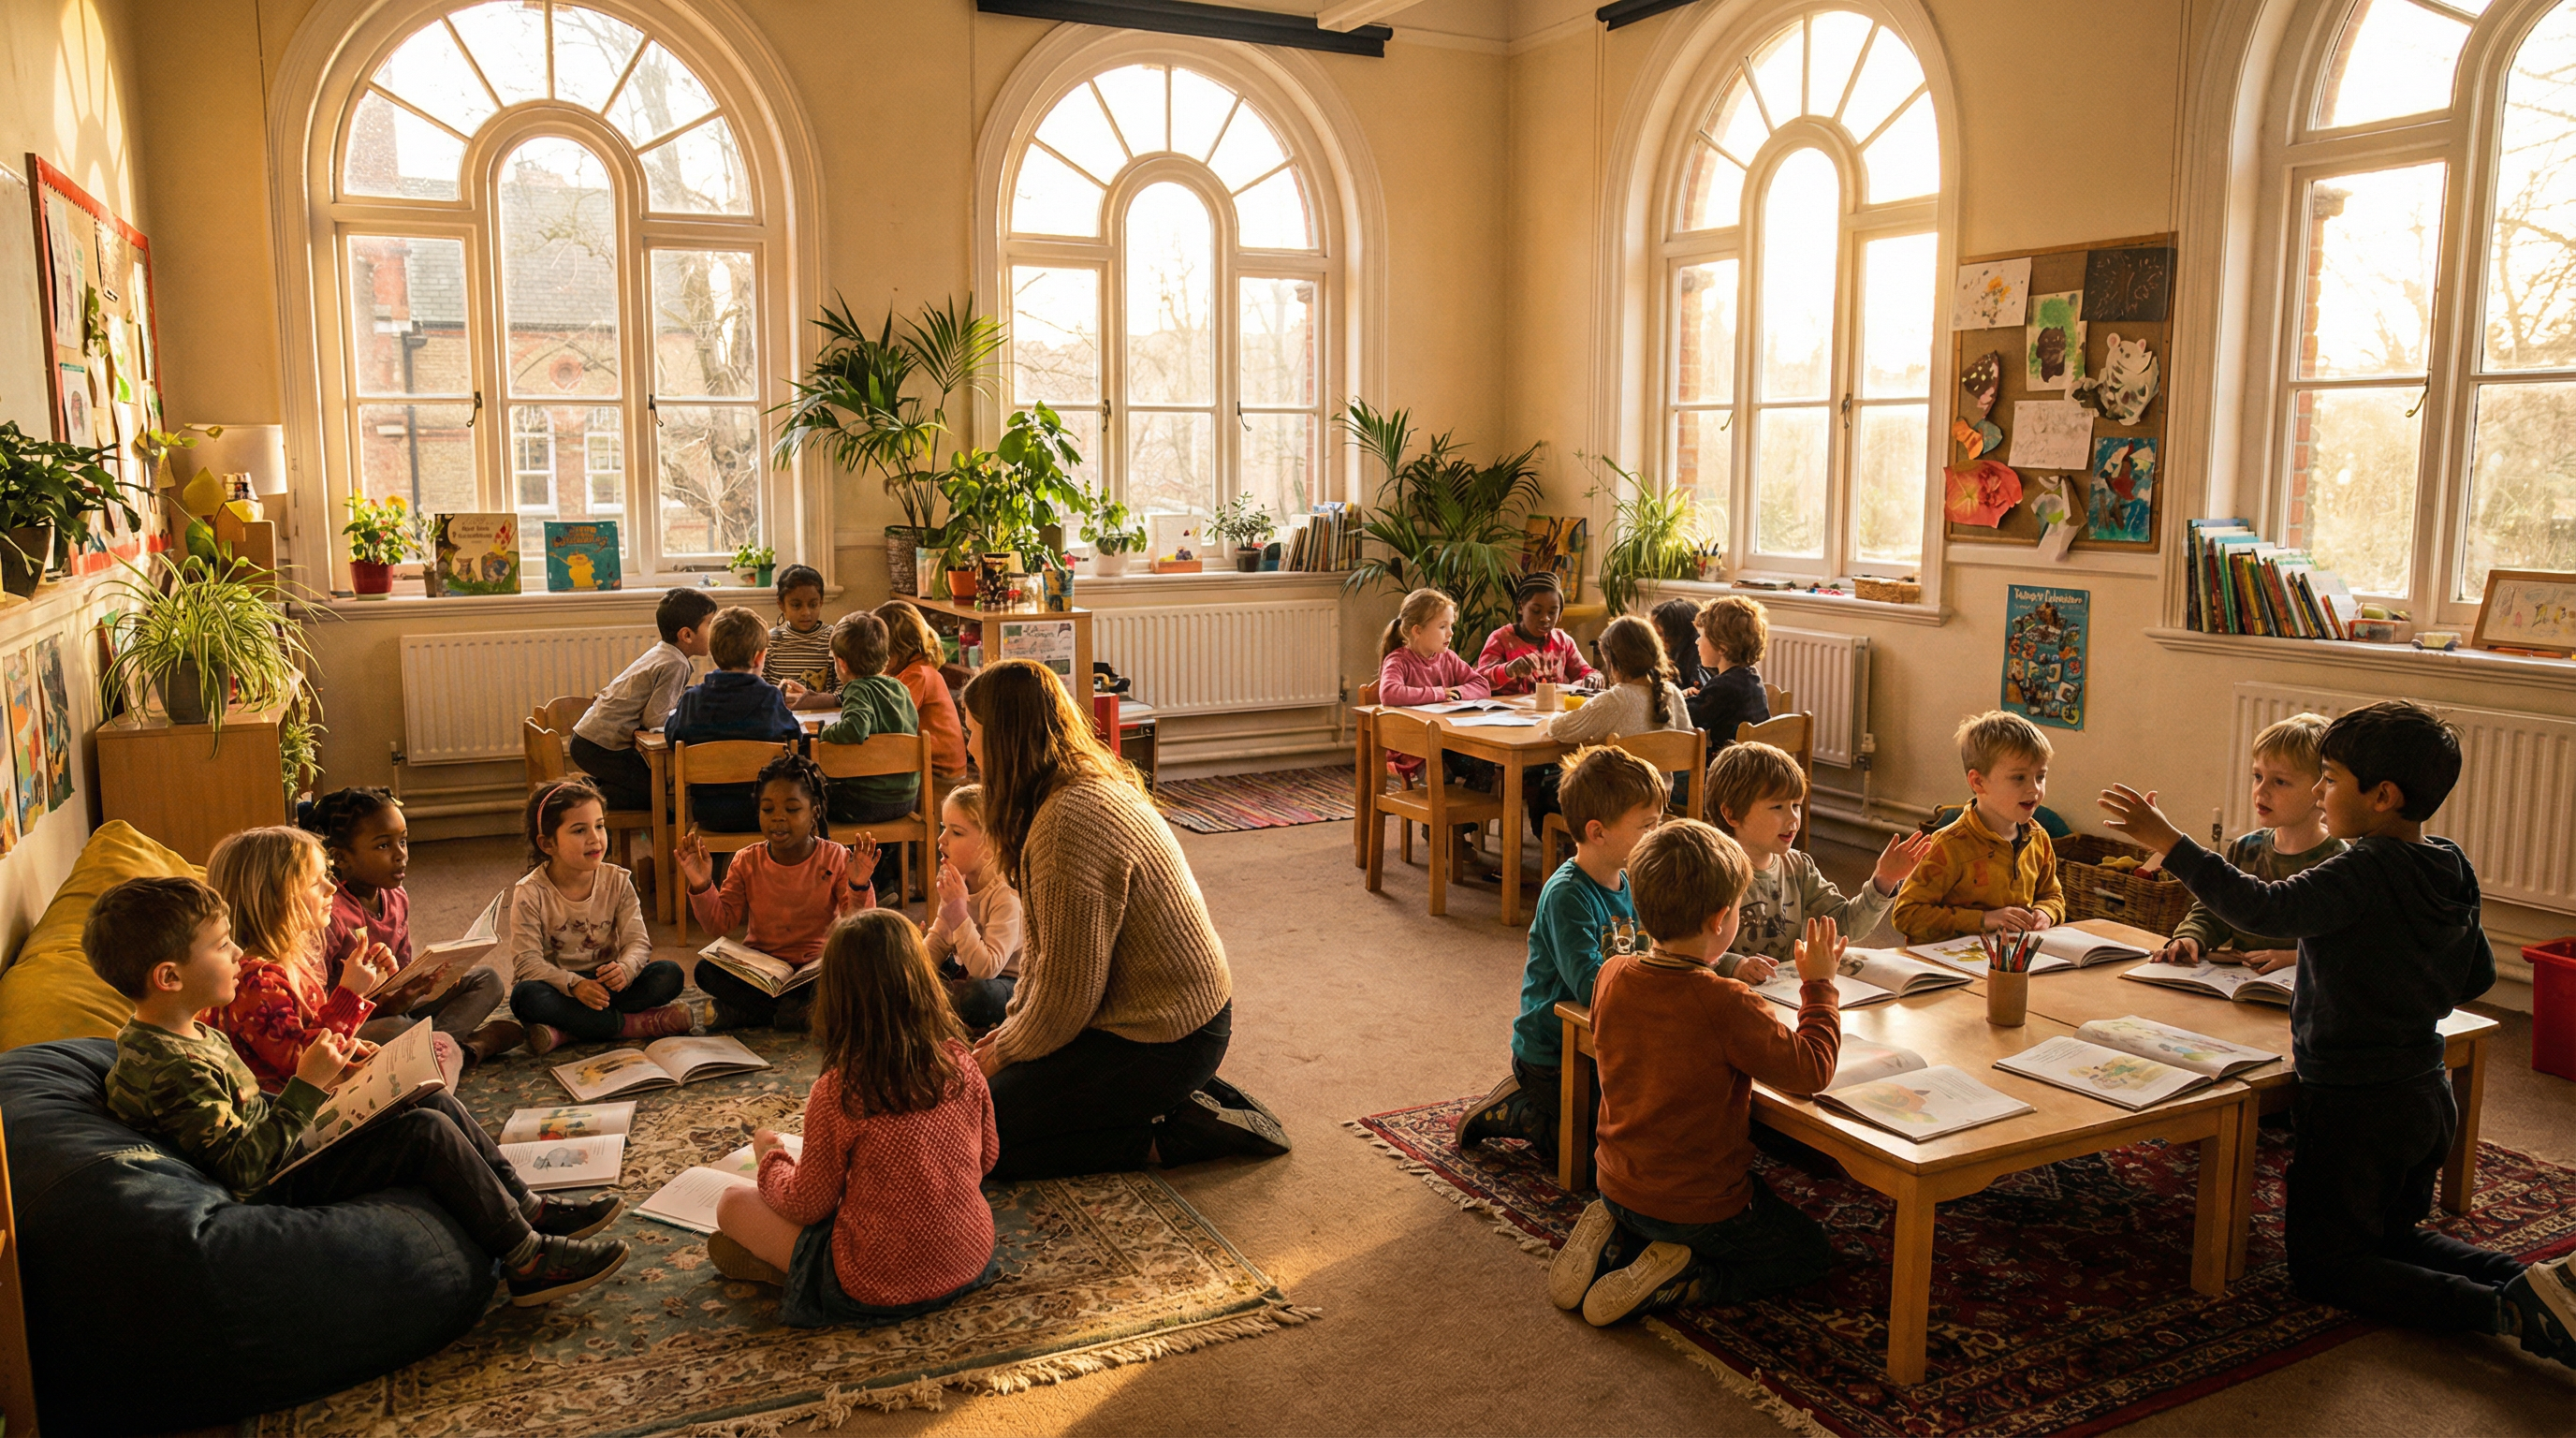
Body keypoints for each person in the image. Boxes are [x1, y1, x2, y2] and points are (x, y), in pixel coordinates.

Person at [2100, 700, 2576, 1366]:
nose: (2320, 790)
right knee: (2394, 1235)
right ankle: (2535, 1283)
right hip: (2425, 1093)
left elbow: (2264, 907)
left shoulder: (2362, 868)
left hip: (2356, 1105)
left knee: (2328, 1266)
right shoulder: (2451, 861)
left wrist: (2171, 843)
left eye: (2329, 777)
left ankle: (2502, 1310)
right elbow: (2476, 977)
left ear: (2382, 796)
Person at [88, 875, 626, 1305]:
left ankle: (525, 1206)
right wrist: (307, 1087)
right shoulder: (170, 1067)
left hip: (282, 1145)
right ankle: (527, 1259)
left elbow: (249, 1111)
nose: (236, 955)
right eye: (222, 946)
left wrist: (339, 1092)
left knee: (425, 1094)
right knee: (425, 1133)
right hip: (270, 1184)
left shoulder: (188, 1031)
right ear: (169, 978)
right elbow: (243, 1169)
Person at [961, 659, 1284, 1178]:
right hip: (1131, 1011)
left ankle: (1166, 1135)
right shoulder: (1063, 792)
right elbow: (1048, 959)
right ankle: (1172, 1099)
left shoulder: (1068, 822)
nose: (968, 746)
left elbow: (1068, 998)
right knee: (992, 1020)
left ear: (1003, 739)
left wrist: (1005, 1051)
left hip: (1168, 1037)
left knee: (982, 1142)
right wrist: (1013, 1031)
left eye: (972, 733)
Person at [1555, 824, 1842, 1326]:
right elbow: (1811, 1070)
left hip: (1616, 1178)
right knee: (1809, 1251)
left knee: (1650, 1191)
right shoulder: (1725, 1002)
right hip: (1697, 1204)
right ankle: (1690, 1276)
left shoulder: (1611, 974)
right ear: (1720, 920)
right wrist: (1819, 987)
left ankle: (1619, 1227)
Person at [708, 910, 1002, 1328]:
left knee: (731, 1205)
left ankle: (798, 1279)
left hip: (875, 1281)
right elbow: (987, 1160)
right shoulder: (961, 1062)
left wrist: (771, 1158)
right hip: (970, 1256)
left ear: (836, 995)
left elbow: (809, 1204)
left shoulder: (838, 1091)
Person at [1455, 744, 1663, 1163]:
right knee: (1592, 1162)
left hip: (1610, 1039)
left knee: (1648, 1136)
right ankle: (1520, 1109)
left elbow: (1666, 942)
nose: (1655, 837)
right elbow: (1589, 984)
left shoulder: (1636, 880)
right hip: (1554, 1053)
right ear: (1598, 831)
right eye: (1646, 826)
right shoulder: (1567, 894)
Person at [305, 786, 520, 1067]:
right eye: (384, 845)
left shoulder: (396, 895)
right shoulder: (329, 914)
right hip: (354, 1022)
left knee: (487, 980)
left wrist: (432, 980)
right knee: (398, 1029)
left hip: (399, 1007)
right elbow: (318, 1009)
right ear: (342, 857)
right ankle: (463, 1049)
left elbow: (404, 971)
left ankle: (432, 1050)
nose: (400, 855)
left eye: (403, 842)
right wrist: (386, 1002)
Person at [681, 751, 877, 1032]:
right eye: (768, 809)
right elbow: (719, 924)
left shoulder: (835, 857)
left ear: (815, 813)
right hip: (762, 973)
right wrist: (702, 884)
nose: (778, 819)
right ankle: (794, 1014)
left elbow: (858, 928)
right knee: (706, 971)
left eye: (792, 809)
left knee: (854, 973)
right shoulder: (746, 860)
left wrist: (859, 885)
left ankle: (757, 1014)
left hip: (815, 971)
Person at [202, 826, 400, 1093]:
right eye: (315, 882)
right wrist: (351, 993)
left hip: (321, 1094)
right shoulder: (254, 984)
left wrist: (371, 985)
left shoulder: (284, 963)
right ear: (275, 898)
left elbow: (311, 1030)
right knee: (428, 1113)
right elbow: (305, 1064)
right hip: (298, 1117)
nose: (332, 888)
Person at [1706, 741, 1931, 971]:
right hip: (1725, 996)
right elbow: (1682, 947)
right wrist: (1735, 965)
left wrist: (1885, 880)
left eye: (1796, 805)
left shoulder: (1798, 868)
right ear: (1732, 814)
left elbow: (1845, 925)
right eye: (1777, 807)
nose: (1793, 819)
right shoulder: (1711, 873)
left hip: (1782, 993)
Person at [508, 779, 691, 1054]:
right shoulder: (531, 892)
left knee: (669, 974)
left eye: (600, 825)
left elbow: (638, 943)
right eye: (579, 830)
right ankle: (631, 1025)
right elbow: (526, 962)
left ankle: (568, 1031)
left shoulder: (618, 881)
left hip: (608, 985)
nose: (595, 838)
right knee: (525, 997)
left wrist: (625, 970)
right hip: (560, 987)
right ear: (548, 844)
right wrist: (574, 984)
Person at [2159, 712, 2345, 975]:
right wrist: (2191, 937)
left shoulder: (2339, 860)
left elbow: (2342, 945)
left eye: (2280, 781)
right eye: (2258, 776)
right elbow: (2213, 910)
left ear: (2320, 789)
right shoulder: (2245, 849)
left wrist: (2294, 958)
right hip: (2239, 981)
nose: (2261, 791)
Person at [1891, 712, 2064, 943]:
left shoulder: (2039, 839)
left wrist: (2046, 913)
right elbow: (1906, 915)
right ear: (1978, 782)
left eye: (2040, 776)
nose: (2034, 789)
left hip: (2010, 960)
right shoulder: (1948, 845)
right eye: (2019, 778)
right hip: (1951, 965)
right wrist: (1984, 919)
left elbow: (2052, 895)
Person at [1376, 586, 1500, 880]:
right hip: (1415, 751)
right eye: (1443, 626)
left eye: (1451, 626)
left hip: (1449, 743)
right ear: (1417, 631)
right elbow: (1389, 693)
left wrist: (1455, 692)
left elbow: (1481, 685)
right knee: (1440, 776)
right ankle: (1439, 834)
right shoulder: (1399, 660)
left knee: (1483, 766)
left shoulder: (1448, 658)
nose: (1450, 633)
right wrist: (1437, 694)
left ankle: (1457, 832)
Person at [1531, 616, 1692, 833]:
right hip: (1658, 798)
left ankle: (1567, 854)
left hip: (1614, 804)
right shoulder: (1671, 692)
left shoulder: (1616, 700)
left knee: (1544, 783)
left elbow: (1560, 729)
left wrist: (1554, 715)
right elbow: (1686, 736)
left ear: (1612, 660)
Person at [570, 587, 719, 813]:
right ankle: (583, 797)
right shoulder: (674, 663)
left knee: (653, 787)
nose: (715, 630)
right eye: (710, 624)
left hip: (589, 739)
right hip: (600, 746)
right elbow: (655, 719)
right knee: (657, 790)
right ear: (687, 635)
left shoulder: (664, 653)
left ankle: (589, 792)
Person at [666, 606, 803, 835]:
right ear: (760, 657)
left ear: (713, 651)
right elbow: (794, 738)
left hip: (710, 814)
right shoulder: (770, 698)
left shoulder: (693, 699)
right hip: (765, 811)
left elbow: (672, 737)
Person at [924, 785, 1024, 1034]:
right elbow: (939, 938)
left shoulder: (1006, 895)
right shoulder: (957, 878)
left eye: (956, 832)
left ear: (989, 845)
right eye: (943, 828)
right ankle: (946, 1005)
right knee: (918, 966)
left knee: (979, 995)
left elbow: (987, 969)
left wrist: (958, 914)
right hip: (965, 967)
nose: (941, 839)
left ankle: (953, 1010)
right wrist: (915, 969)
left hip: (1009, 981)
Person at [878, 600, 969, 783]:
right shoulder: (910, 669)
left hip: (940, 773)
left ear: (901, 650)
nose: (879, 661)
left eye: (882, 654)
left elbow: (889, 719)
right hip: (930, 764)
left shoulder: (917, 674)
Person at [1474, 569, 1596, 697]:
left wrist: (1593, 677)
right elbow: (1481, 681)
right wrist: (1507, 670)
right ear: (1521, 607)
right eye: (1536, 611)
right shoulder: (1501, 639)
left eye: (1552, 612)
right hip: (1509, 714)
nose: (1545, 618)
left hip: (1551, 713)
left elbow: (1584, 672)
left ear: (1560, 614)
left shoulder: (1563, 641)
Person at [1688, 596, 1771, 745]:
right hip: (1754, 758)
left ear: (1722, 647)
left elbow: (1690, 719)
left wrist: (1676, 698)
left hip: (1732, 763)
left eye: (1701, 636)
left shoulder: (1724, 685)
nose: (1697, 642)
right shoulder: (1750, 675)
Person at [764, 564, 842, 712]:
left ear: (821, 602)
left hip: (823, 723)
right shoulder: (770, 641)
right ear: (781, 604)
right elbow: (758, 692)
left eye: (812, 605)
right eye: (796, 605)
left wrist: (811, 701)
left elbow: (844, 694)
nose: (806, 612)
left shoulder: (835, 639)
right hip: (781, 723)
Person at [1650, 596, 1708, 695]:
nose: (1654, 639)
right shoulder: (1657, 653)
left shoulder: (1699, 659)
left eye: (1659, 633)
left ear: (1676, 634)